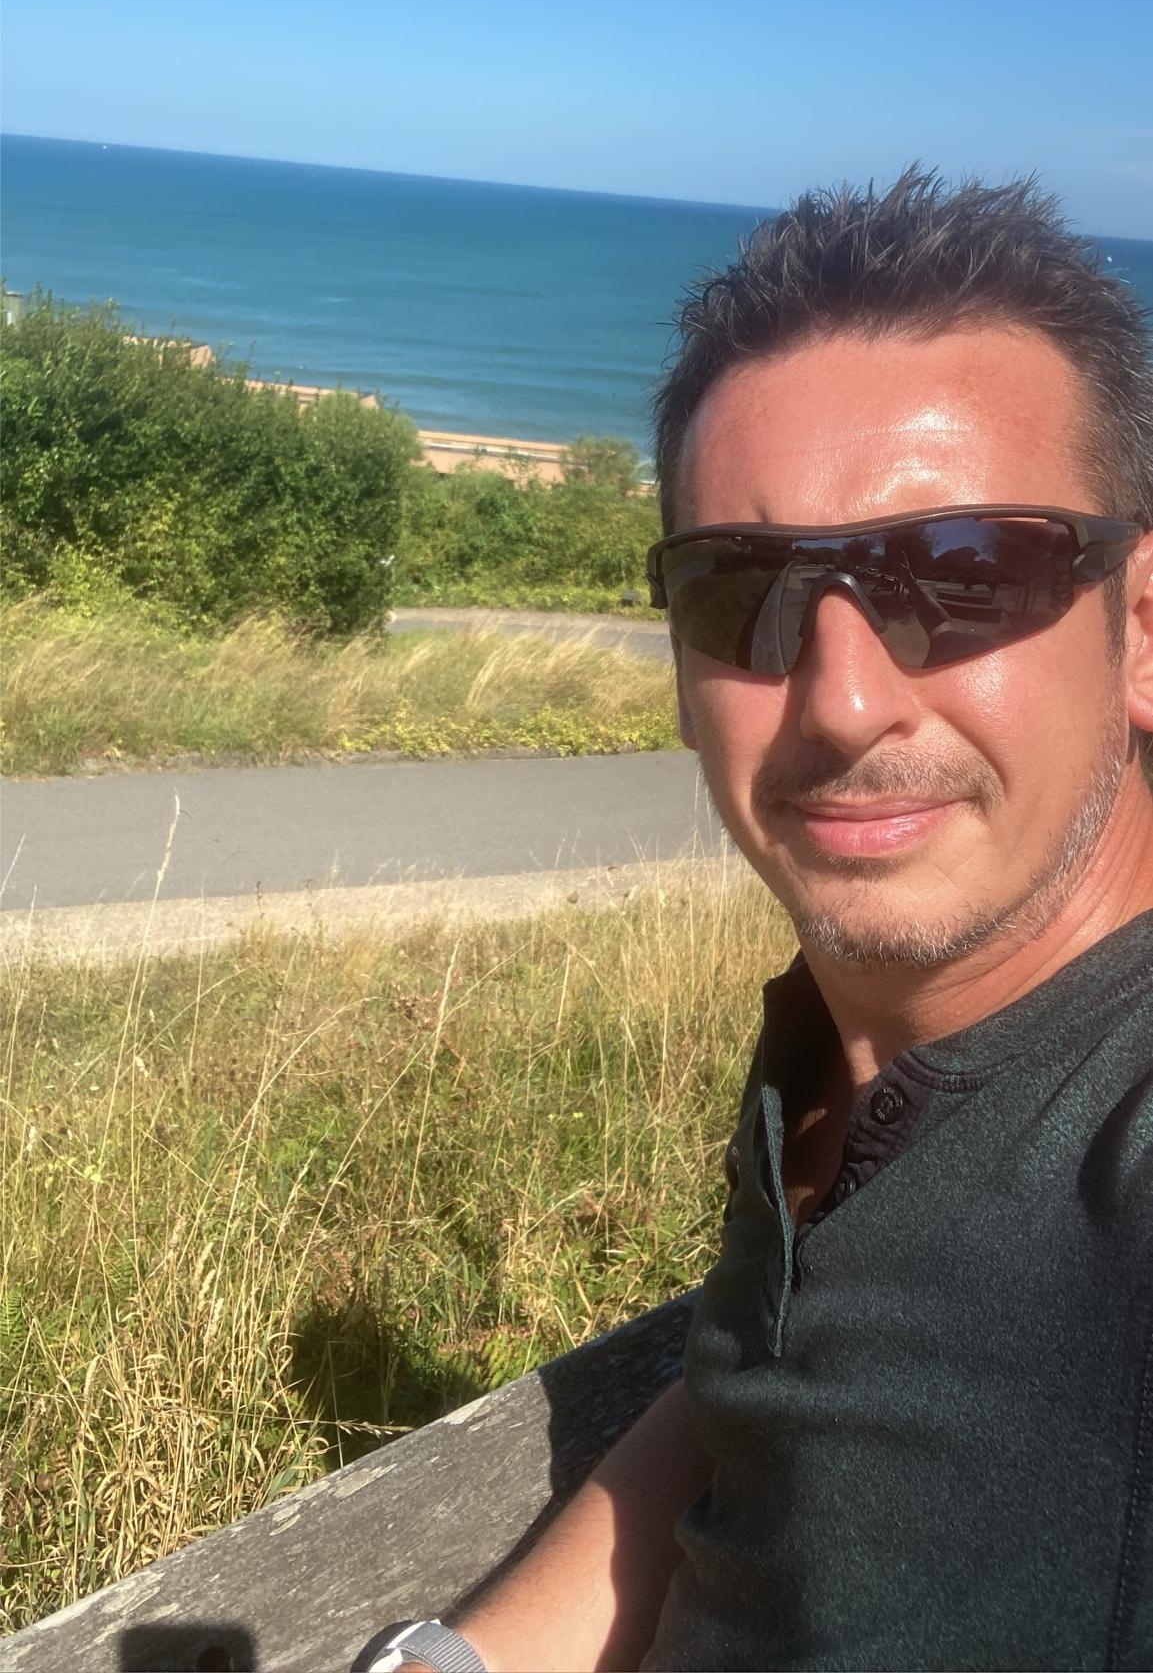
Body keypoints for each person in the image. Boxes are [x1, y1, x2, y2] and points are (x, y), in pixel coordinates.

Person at [375, 170, 1153, 1673]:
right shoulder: (848, 1032)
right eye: (744, 593)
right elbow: (750, 1383)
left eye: (964, 571)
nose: (842, 702)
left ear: (1139, 630)